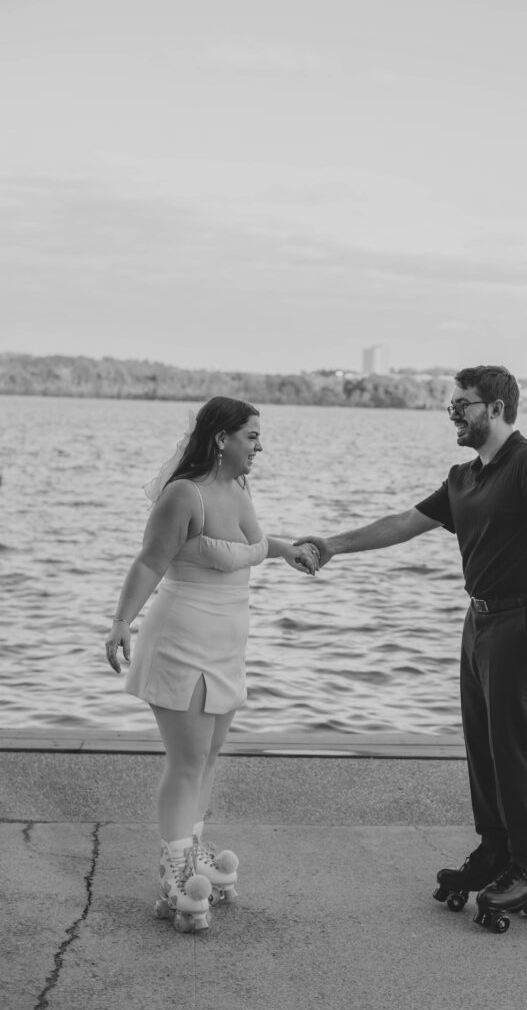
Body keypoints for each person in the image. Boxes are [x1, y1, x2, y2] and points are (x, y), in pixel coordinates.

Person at [297, 365, 527, 931]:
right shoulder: (464, 477)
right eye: (451, 405)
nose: (453, 413)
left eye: (463, 405)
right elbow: (404, 523)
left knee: (514, 747)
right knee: (482, 745)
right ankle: (496, 851)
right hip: (478, 622)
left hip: (525, 620)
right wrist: (331, 545)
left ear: (496, 408)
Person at [105, 396, 319, 933]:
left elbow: (254, 543)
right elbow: (151, 561)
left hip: (227, 648)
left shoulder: (237, 489)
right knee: (187, 758)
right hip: (181, 642)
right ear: (222, 439)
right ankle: (175, 870)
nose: (259, 447)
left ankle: (193, 846)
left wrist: (288, 550)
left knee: (211, 754)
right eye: (251, 436)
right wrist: (120, 622)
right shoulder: (185, 494)